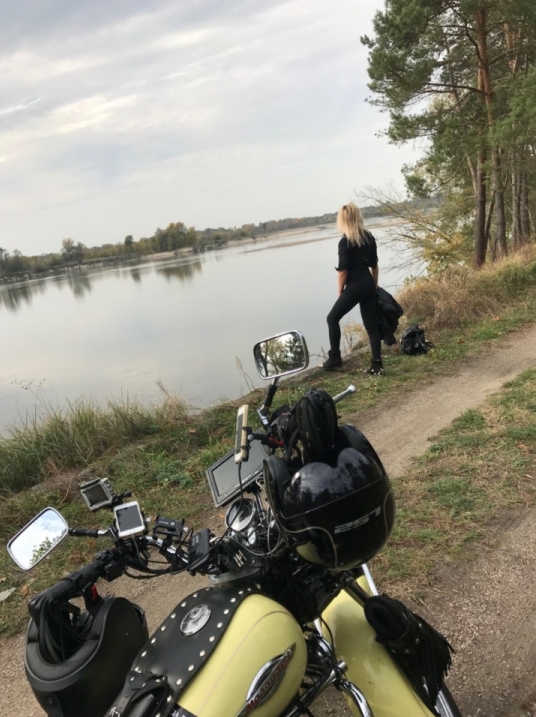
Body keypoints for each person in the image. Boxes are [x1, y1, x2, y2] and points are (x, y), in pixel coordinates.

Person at [323, 202, 383, 375]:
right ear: (358, 217)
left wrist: (340, 290)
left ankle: (335, 358)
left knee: (332, 318)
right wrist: (374, 285)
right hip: (368, 283)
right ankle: (377, 365)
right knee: (371, 326)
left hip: (355, 286)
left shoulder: (345, 242)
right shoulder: (368, 236)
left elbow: (342, 271)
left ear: (343, 220)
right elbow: (374, 265)